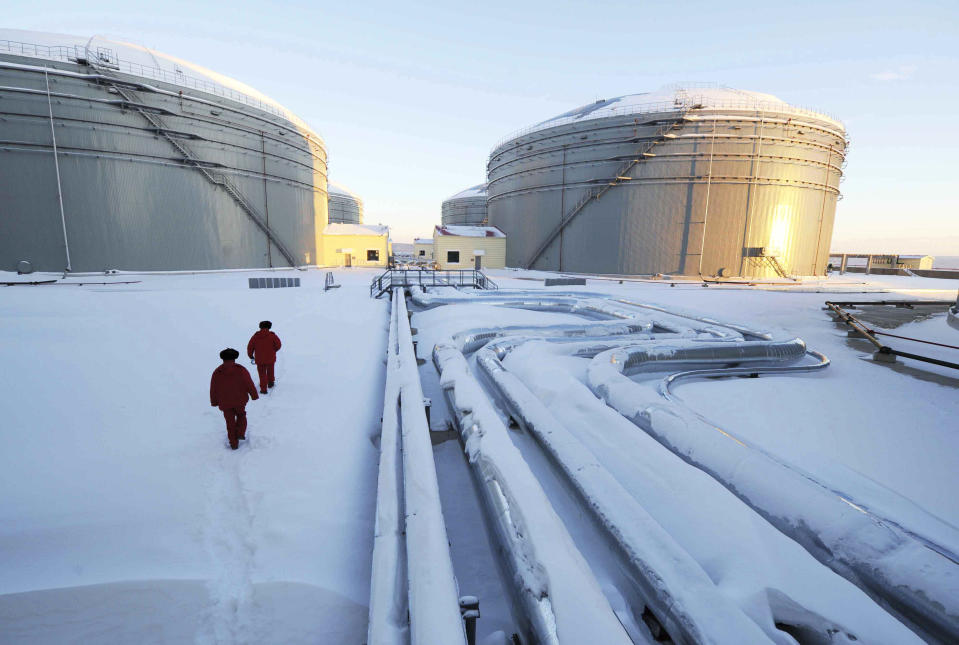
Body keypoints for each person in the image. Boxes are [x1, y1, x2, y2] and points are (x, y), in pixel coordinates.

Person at [210, 348, 259, 450]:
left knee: (230, 422)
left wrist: (214, 401)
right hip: (240, 400)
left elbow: (213, 388)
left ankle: (233, 443)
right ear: (235, 358)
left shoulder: (217, 372)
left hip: (225, 403)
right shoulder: (241, 370)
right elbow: (249, 383)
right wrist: (254, 395)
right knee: (241, 415)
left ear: (222, 358)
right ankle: (240, 433)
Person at [247, 320, 282, 395]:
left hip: (259, 359)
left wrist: (251, 356)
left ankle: (263, 389)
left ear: (260, 327)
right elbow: (278, 345)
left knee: (262, 373)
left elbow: (250, 347)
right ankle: (270, 382)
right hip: (270, 357)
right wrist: (274, 350)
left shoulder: (255, 336)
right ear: (269, 327)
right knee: (270, 370)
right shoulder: (272, 336)